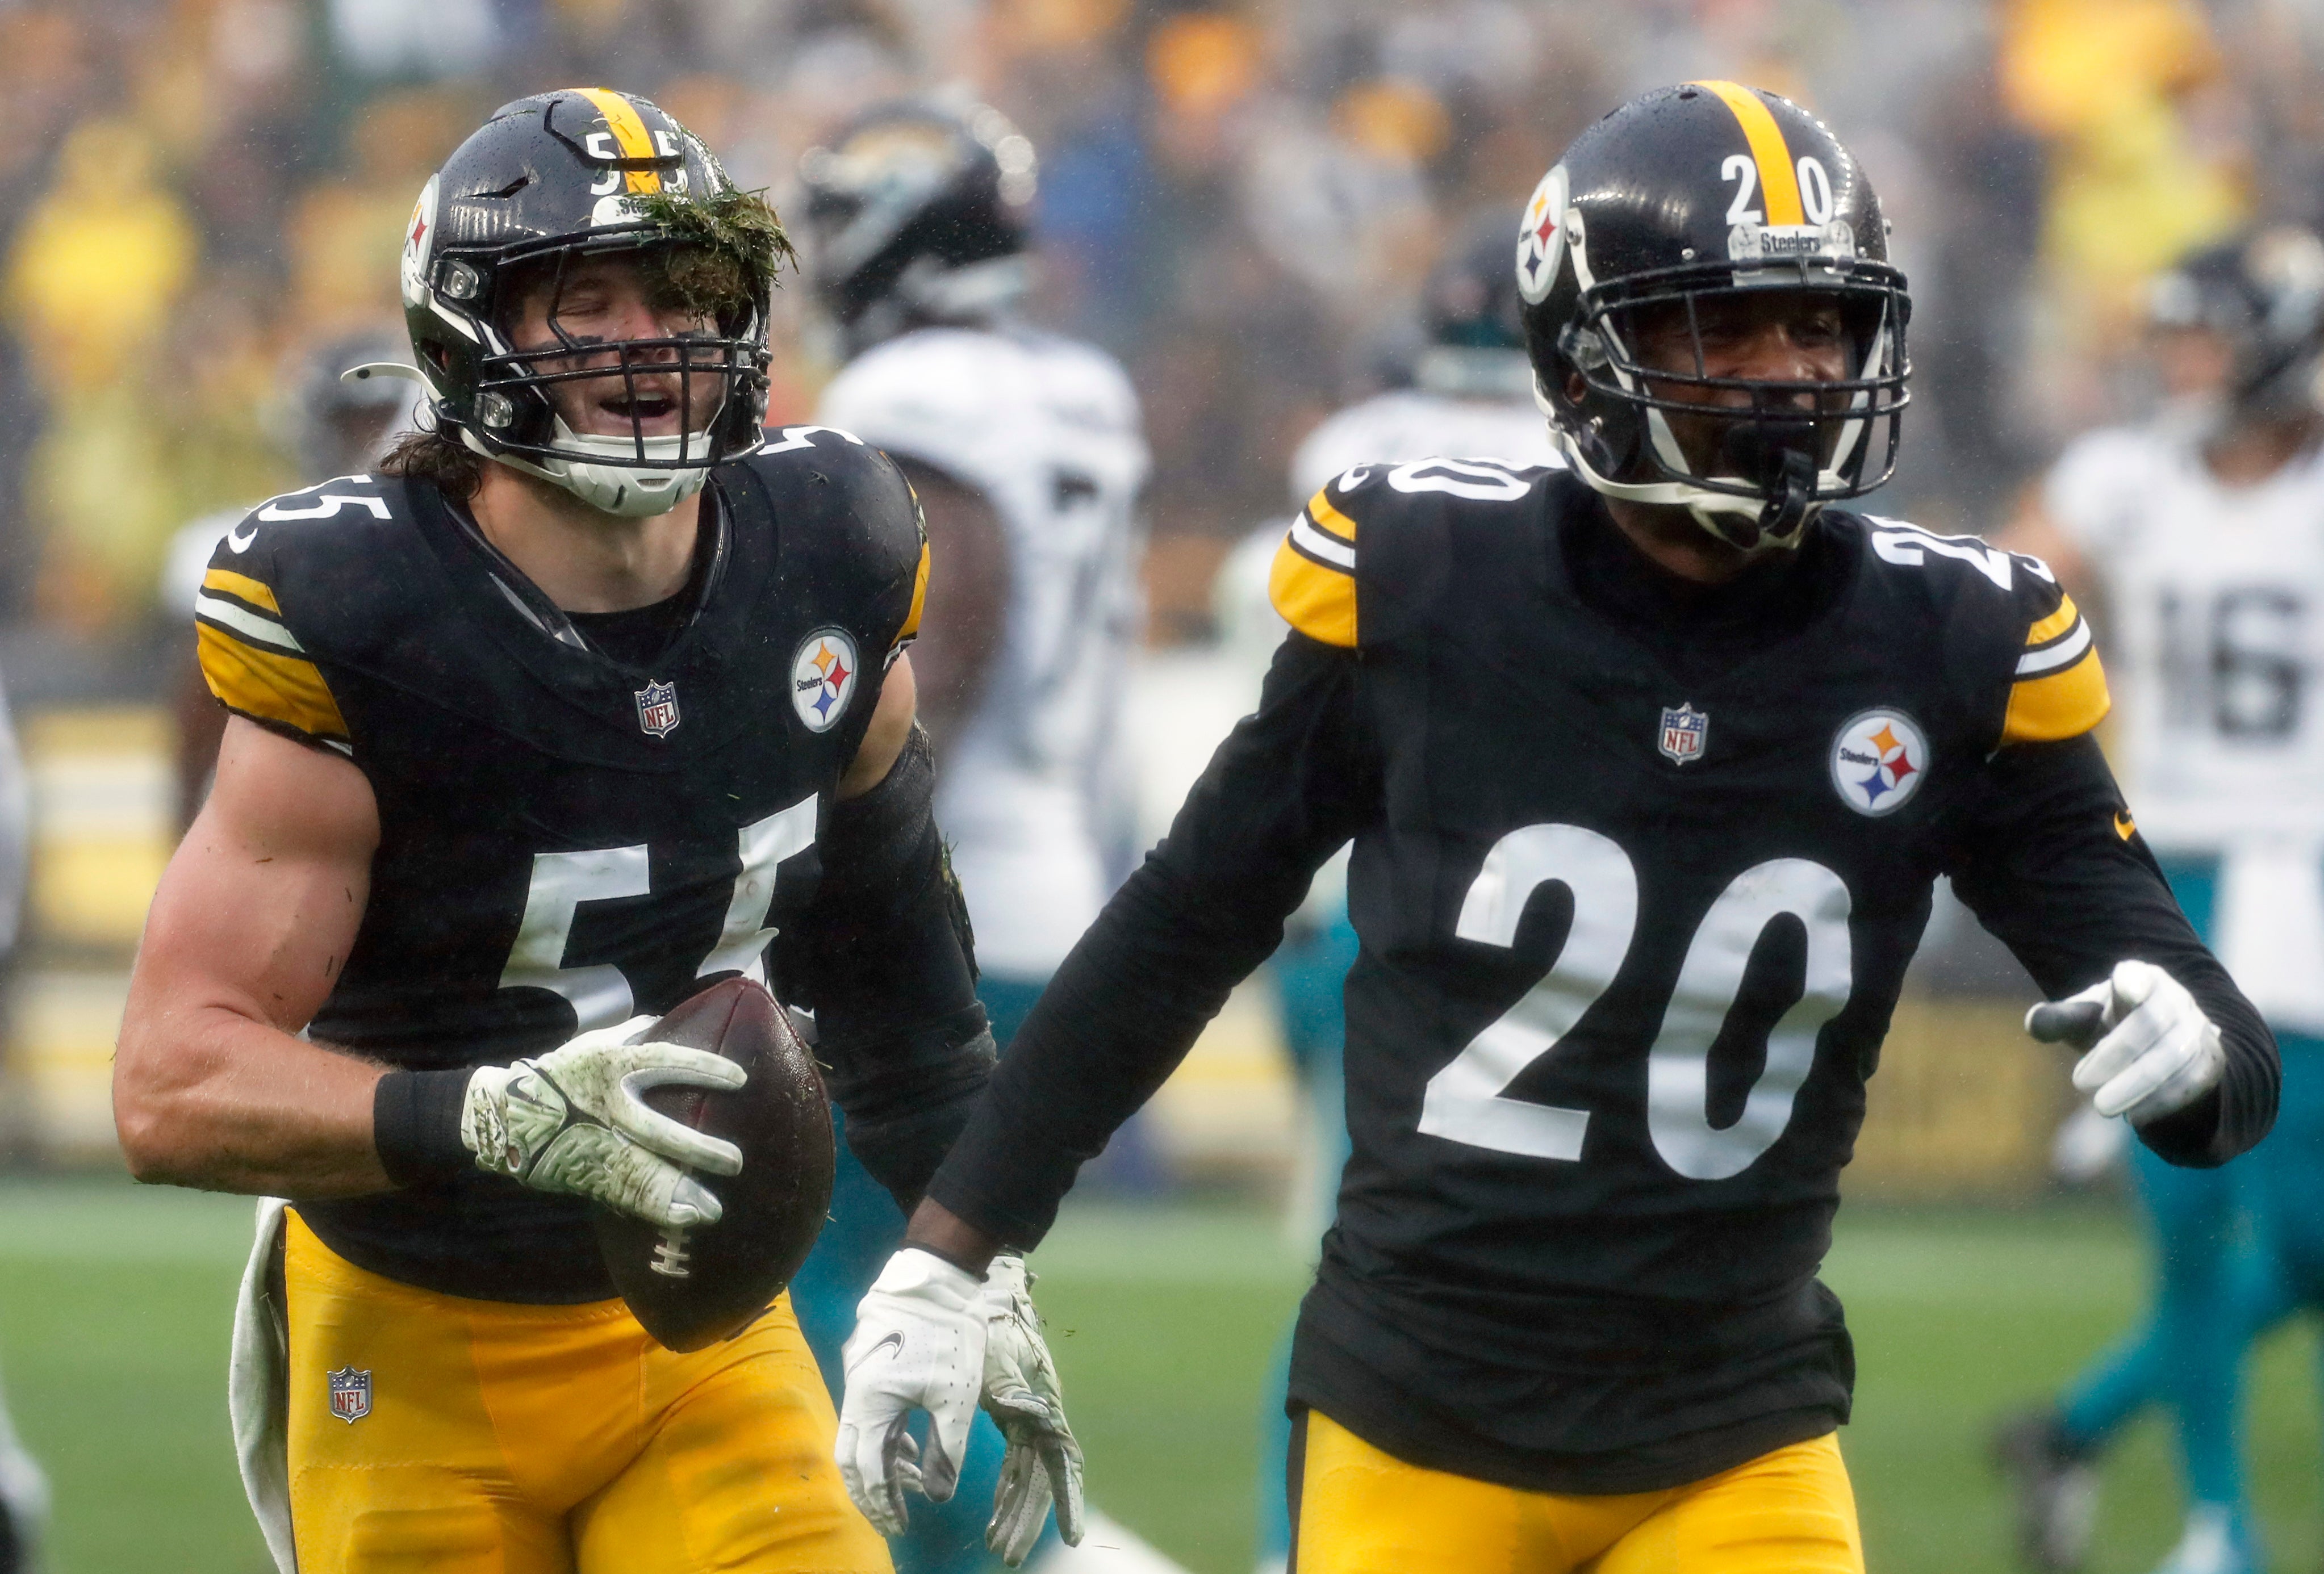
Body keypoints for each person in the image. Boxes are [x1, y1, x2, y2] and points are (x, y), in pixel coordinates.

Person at [832, 81, 2281, 1574]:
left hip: (1735, 1432)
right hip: (1415, 1426)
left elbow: (2201, 1031)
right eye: (1733, 325)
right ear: (1590, 347)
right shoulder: (1429, 578)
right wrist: (951, 1253)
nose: (1793, 374)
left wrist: (2193, 1062)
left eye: (1821, 326)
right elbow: (1183, 918)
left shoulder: (1950, 640)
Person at [111, 88, 1073, 1574]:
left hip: (696, 1321)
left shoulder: (828, 544)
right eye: (589, 299)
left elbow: (897, 973)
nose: (650, 342)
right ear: (471, 331)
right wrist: (484, 1114)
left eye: (686, 296)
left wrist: (970, 1267)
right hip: (416, 1328)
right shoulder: (369, 613)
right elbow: (171, 1082)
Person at [788, 99, 1173, 1574]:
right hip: (1046, 876)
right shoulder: (1074, 384)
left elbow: (937, 635)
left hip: (940, 896)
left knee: (842, 1293)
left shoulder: (916, 389)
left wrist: (825, 832)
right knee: (916, 1292)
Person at [1211, 216, 1561, 1574]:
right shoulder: (1575, 457)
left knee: (1363, 1269)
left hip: (1338, 915)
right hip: (1501, 916)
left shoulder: (1339, 457)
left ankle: (1302, 1544)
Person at [1996, 225, 2324, 1574]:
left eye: (2209, 336)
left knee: (2305, 1236)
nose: (2185, 361)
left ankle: (2073, 1427)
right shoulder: (2127, 477)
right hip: (2170, 866)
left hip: (2305, 874)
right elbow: (1992, 588)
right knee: (2186, 1217)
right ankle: (2214, 1528)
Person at [160, 328, 423, 828]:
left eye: (375, 418)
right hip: (292, 811)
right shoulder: (263, 548)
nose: (365, 439)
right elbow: (195, 728)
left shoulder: (455, 532)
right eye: (349, 421)